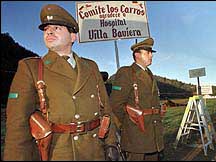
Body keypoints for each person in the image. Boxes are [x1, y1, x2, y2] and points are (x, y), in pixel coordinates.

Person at [3, 4, 118, 161]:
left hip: (94, 151)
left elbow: (106, 110)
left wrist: (111, 143)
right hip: (57, 153)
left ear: (72, 37)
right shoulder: (31, 68)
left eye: (57, 28)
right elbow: (17, 126)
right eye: (46, 29)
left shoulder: (90, 66)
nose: (49, 31)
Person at [110, 37, 165, 161]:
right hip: (136, 136)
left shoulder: (149, 74)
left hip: (153, 135)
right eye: (148, 52)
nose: (151, 55)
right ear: (137, 54)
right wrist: (129, 124)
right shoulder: (127, 73)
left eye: (151, 52)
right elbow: (116, 104)